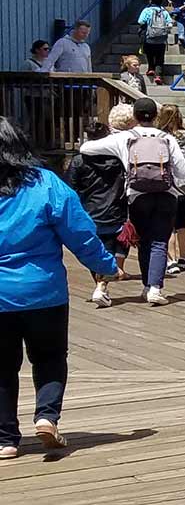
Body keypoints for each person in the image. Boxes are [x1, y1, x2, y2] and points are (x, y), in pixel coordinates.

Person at [0, 117, 118, 460]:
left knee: (2, 368)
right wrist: (106, 265)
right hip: (43, 291)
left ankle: (6, 439)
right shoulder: (45, 183)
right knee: (50, 358)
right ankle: (46, 416)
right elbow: (80, 233)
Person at [77, 97, 185, 307]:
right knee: (159, 241)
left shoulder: (125, 138)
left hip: (137, 195)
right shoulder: (167, 138)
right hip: (166, 194)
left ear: (135, 117)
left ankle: (148, 285)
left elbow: (86, 149)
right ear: (156, 116)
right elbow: (183, 172)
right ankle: (154, 287)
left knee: (144, 240)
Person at [69, 119, 127, 307]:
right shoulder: (118, 159)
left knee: (96, 250)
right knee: (112, 247)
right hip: (116, 209)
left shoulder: (79, 161)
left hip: (89, 211)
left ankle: (100, 285)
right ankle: (102, 286)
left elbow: (71, 187)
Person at [155, 104, 185, 276]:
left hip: (169, 185)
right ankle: (183, 256)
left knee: (170, 223)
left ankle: (171, 259)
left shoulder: (160, 137)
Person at [138, 3, 174, 82]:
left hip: (149, 38)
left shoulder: (146, 10)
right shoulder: (164, 11)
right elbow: (170, 23)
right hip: (161, 39)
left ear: (150, 1)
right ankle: (158, 75)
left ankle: (151, 68)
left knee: (149, 54)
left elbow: (141, 21)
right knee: (160, 57)